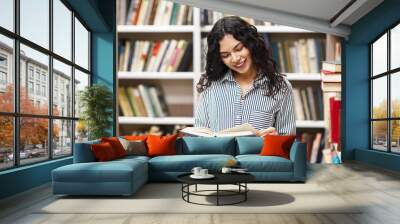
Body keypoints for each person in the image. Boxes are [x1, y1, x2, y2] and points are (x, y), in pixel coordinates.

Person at [195, 16, 296, 136]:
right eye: (226, 55)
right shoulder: (210, 85)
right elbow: (200, 137)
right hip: (218, 155)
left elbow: (288, 144)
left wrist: (275, 140)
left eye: (239, 49)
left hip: (258, 155)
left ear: (251, 44)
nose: (235, 59)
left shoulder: (281, 86)